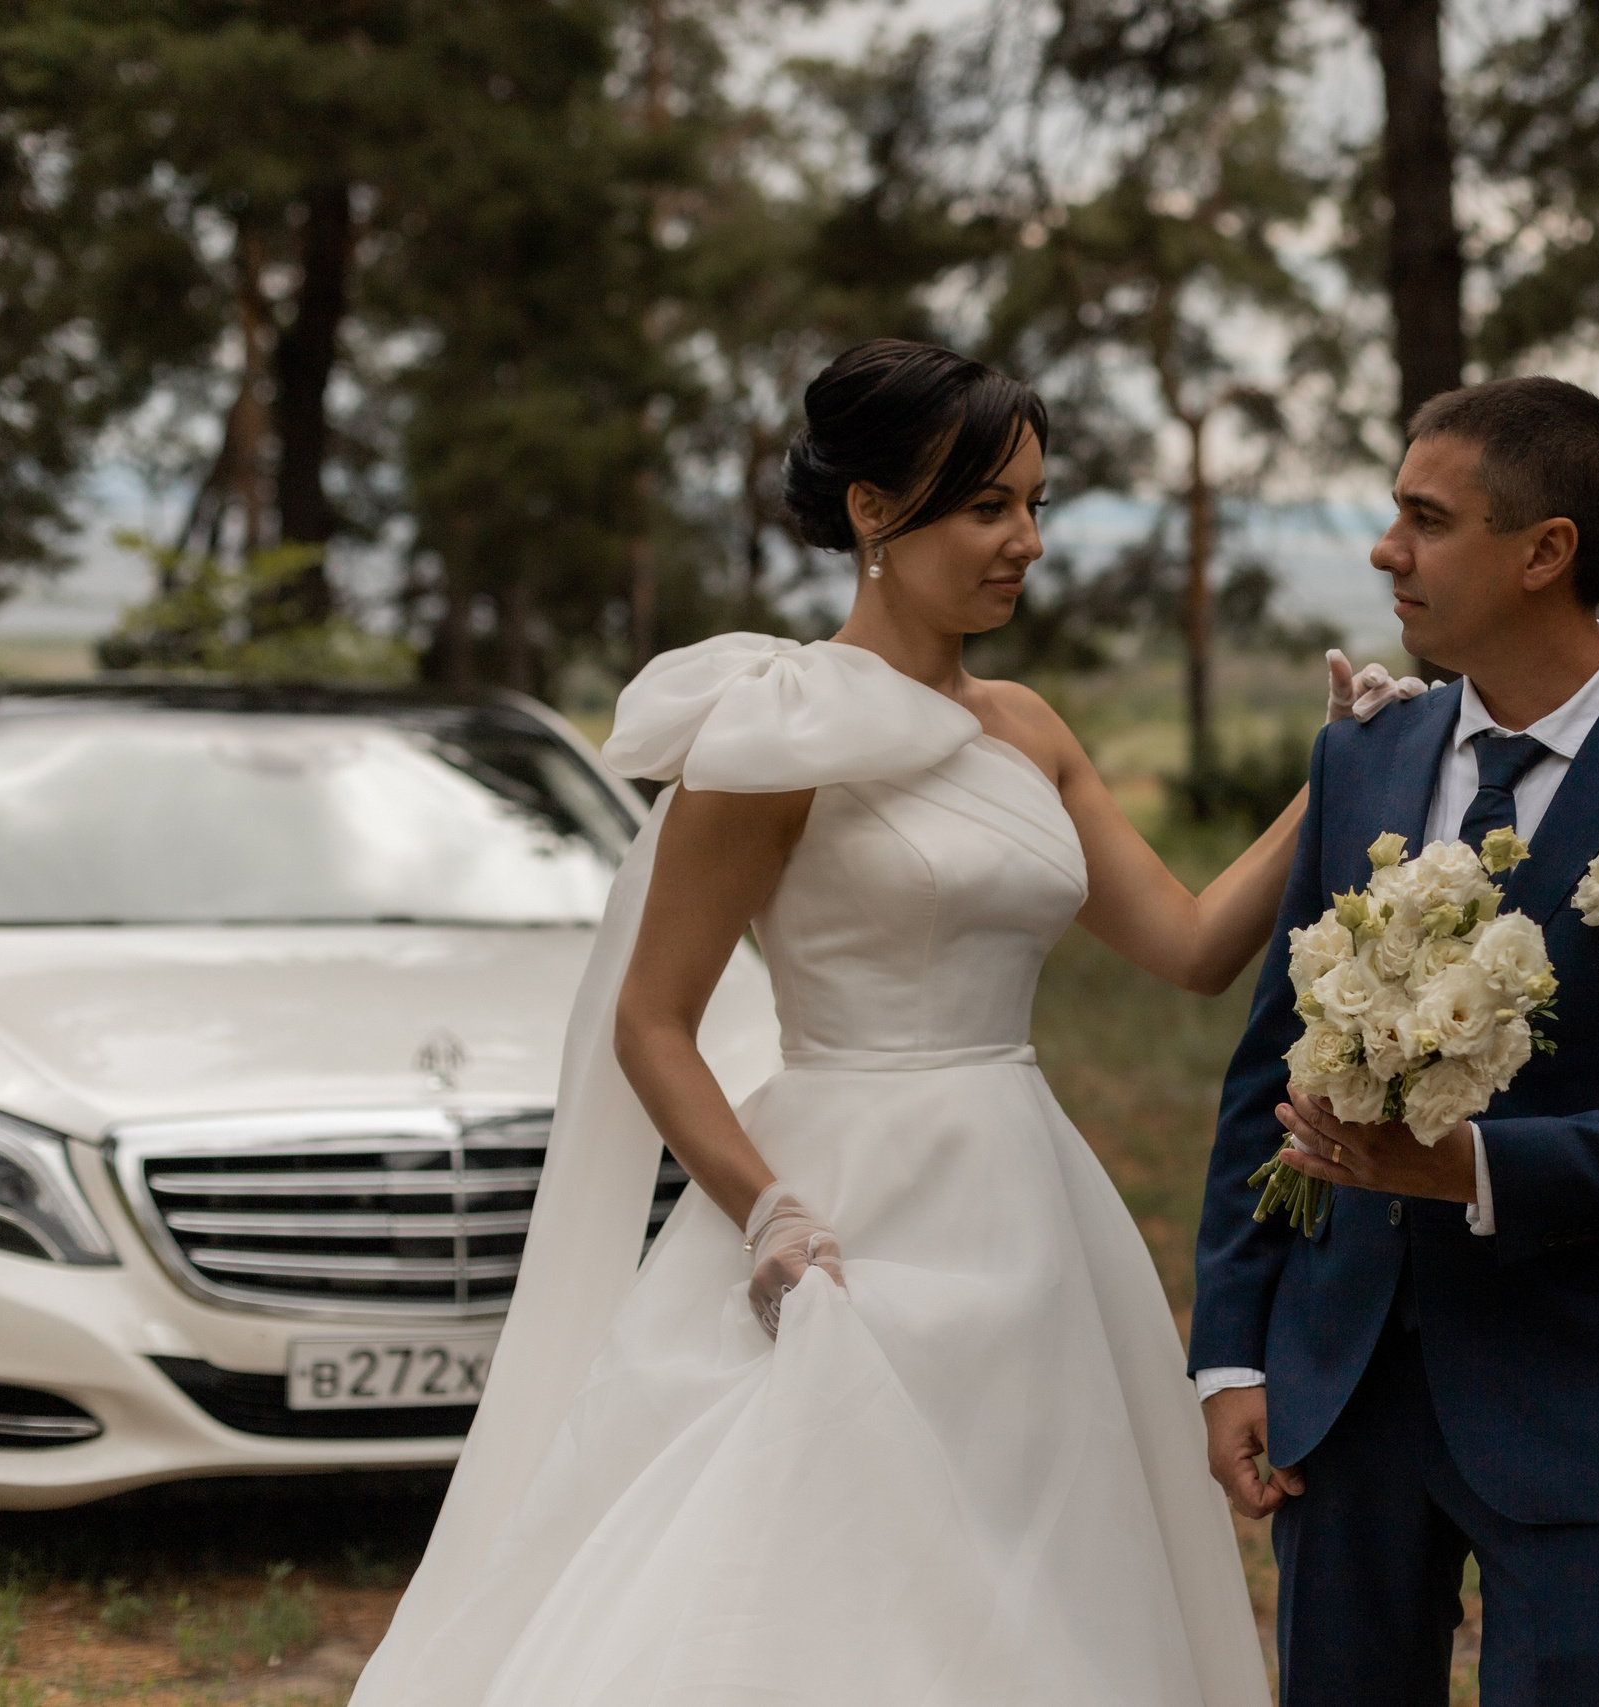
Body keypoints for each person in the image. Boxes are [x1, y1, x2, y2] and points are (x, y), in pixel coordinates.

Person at [352, 340, 1395, 1706]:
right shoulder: (774, 739)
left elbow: (1193, 947)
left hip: (1029, 1212)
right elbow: (652, 1022)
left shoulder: (1027, 728)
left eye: (1034, 504)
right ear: (872, 512)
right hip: (843, 1216)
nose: (1027, 542)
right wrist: (770, 1216)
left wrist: (1339, 768)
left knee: (1038, 1579)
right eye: (988, 507)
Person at [1189, 377, 1599, 1707]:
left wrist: (1483, 1170)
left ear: (1546, 551)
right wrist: (1236, 1352)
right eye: (1394, 514)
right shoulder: (1362, 758)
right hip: (1344, 1386)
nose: (1388, 551)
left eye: (1427, 520)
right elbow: (1274, 1070)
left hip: (1589, 1394)